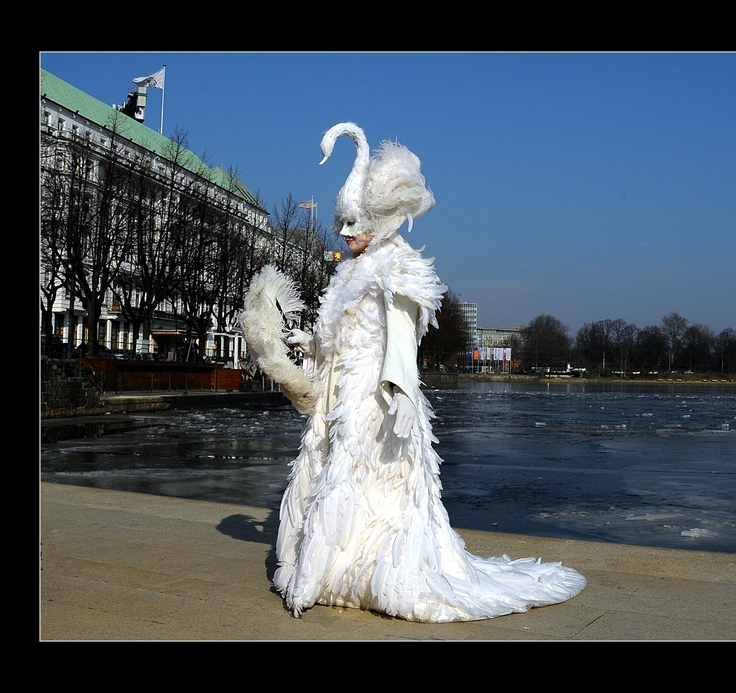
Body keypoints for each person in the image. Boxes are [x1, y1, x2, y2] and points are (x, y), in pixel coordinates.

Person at [240, 123, 585, 622]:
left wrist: (399, 391)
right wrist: (307, 343)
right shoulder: (348, 271)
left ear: (378, 219)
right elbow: (339, 336)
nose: (342, 231)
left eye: (352, 222)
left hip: (374, 399)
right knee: (329, 472)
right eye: (341, 221)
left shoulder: (396, 268)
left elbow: (400, 339)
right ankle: (331, 566)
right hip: (339, 396)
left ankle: (349, 568)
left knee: (366, 481)